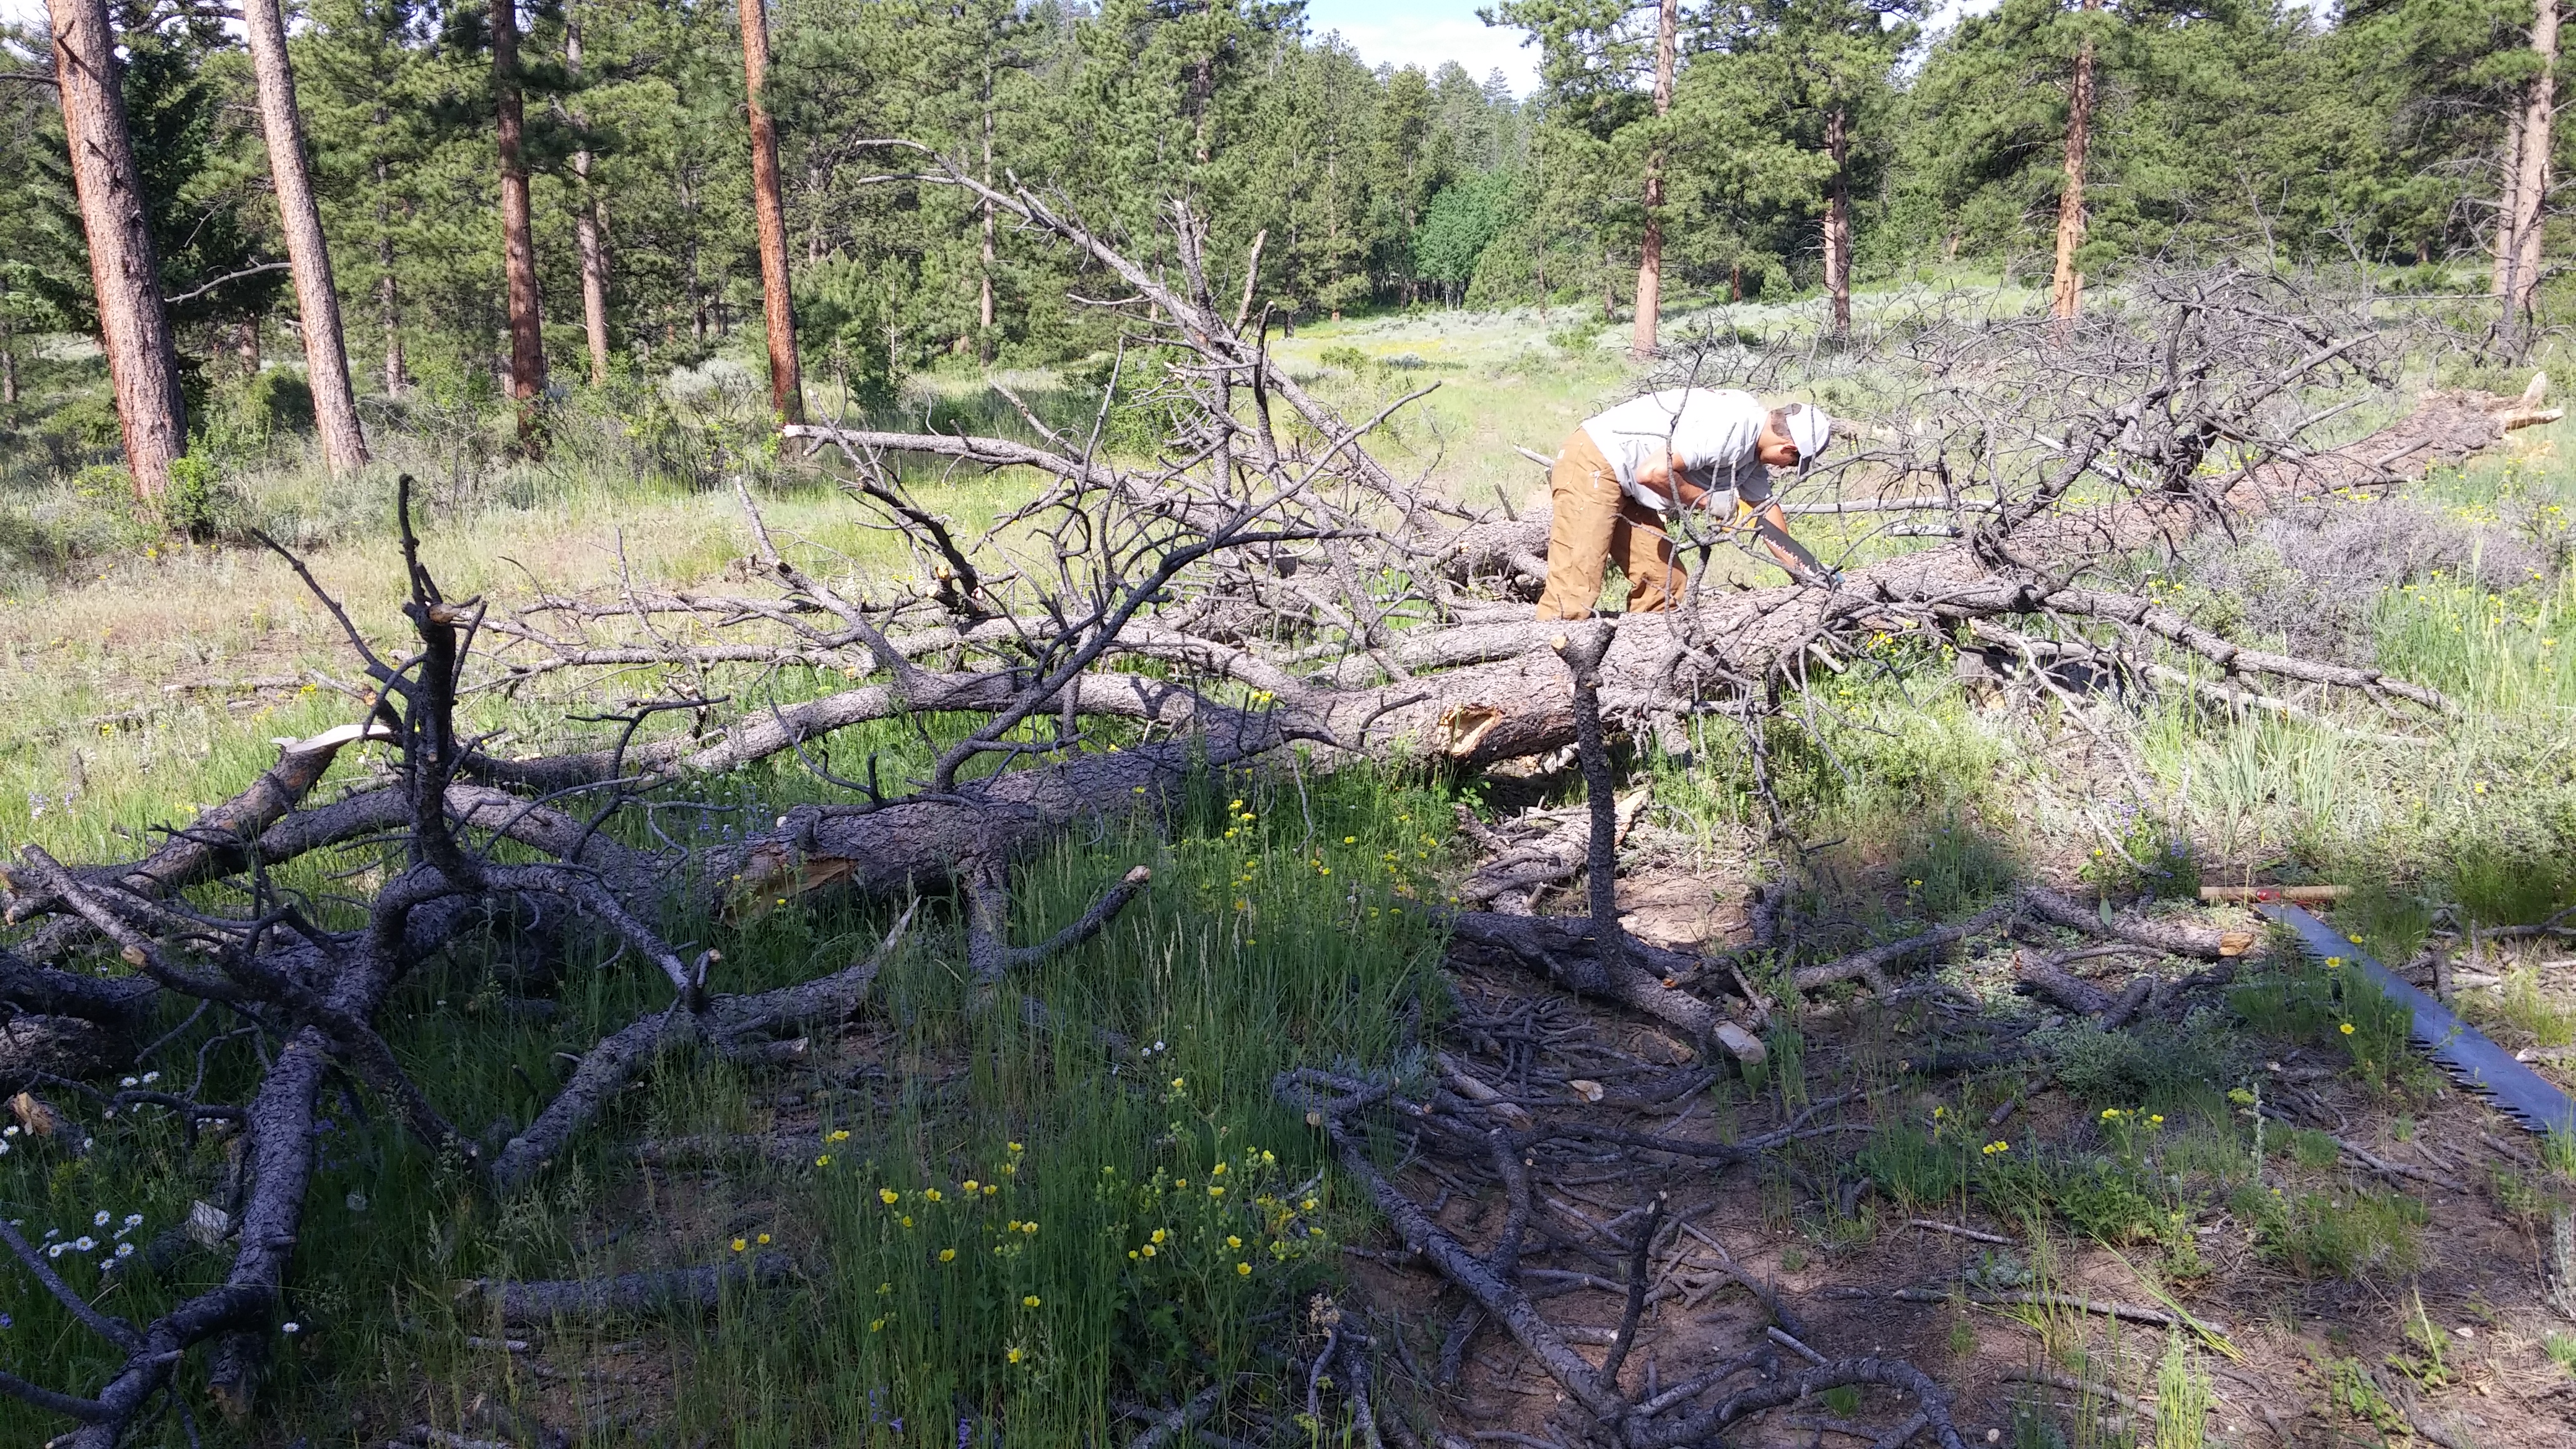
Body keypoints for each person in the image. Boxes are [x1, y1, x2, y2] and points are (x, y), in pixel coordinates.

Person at [1533, 388, 1835, 620]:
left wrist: (1813, 576)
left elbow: (1767, 519)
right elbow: (1653, 472)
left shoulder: (1754, 455)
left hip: (1629, 483)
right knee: (1574, 588)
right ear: (1788, 448)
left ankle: (1640, 679)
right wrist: (1708, 500)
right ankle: (1543, 679)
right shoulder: (1733, 428)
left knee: (1664, 586)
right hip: (1595, 461)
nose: (1785, 469)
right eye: (1793, 462)